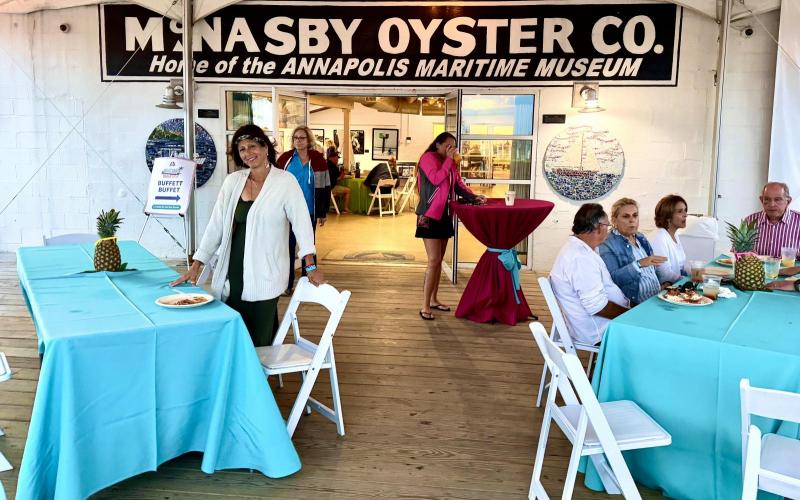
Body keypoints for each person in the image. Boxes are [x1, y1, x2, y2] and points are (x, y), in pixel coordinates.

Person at [170, 124, 324, 347]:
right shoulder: (233, 181)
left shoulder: (285, 182)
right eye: (242, 149)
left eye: (252, 146)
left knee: (260, 334)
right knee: (235, 333)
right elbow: (216, 225)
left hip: (268, 270)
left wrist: (310, 266)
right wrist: (196, 265)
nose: (247, 153)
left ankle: (260, 368)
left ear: (265, 148)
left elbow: (302, 225)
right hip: (233, 269)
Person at [415, 132, 485, 320]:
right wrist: (449, 160)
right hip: (429, 215)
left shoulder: (450, 162)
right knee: (433, 260)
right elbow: (436, 178)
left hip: (445, 215)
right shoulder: (428, 158)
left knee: (439, 261)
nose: (451, 149)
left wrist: (473, 197)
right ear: (437, 144)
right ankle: (424, 306)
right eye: (448, 145)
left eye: (453, 146)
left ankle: (433, 299)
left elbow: (457, 184)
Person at [549, 203, 630, 345]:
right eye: (608, 226)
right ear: (599, 227)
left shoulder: (581, 248)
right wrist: (629, 315)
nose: (608, 231)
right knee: (652, 333)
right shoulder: (580, 258)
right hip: (600, 331)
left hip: (603, 324)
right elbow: (597, 307)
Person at [276, 126, 332, 293]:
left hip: (309, 211)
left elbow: (325, 186)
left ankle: (308, 281)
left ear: (309, 140)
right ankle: (286, 284)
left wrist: (322, 211)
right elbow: (275, 184)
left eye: (302, 138)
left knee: (308, 246)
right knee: (288, 247)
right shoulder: (285, 159)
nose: (298, 141)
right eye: (296, 138)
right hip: (287, 212)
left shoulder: (318, 160)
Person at [599, 198, 665, 305]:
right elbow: (613, 279)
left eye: (635, 215)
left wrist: (664, 284)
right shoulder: (607, 243)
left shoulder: (640, 237)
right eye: (626, 216)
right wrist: (638, 264)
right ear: (614, 220)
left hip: (657, 297)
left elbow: (653, 269)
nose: (632, 220)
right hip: (635, 305)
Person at [744, 182, 800, 258]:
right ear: (761, 200)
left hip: (790, 266)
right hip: (755, 265)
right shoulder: (750, 221)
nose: (772, 204)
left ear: (788, 201)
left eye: (777, 200)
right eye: (767, 199)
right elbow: (737, 252)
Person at [648, 194, 689, 285]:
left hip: (676, 286)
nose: (685, 215)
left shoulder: (674, 234)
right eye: (680, 211)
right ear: (667, 217)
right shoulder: (659, 237)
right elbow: (664, 275)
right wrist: (690, 281)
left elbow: (681, 267)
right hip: (665, 289)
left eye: (685, 210)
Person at [327, 147, 351, 213]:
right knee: (348, 190)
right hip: (330, 188)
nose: (337, 160)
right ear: (332, 158)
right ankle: (346, 208)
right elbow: (338, 178)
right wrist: (342, 174)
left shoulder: (326, 164)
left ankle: (335, 207)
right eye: (336, 158)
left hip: (324, 187)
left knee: (338, 193)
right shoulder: (333, 167)